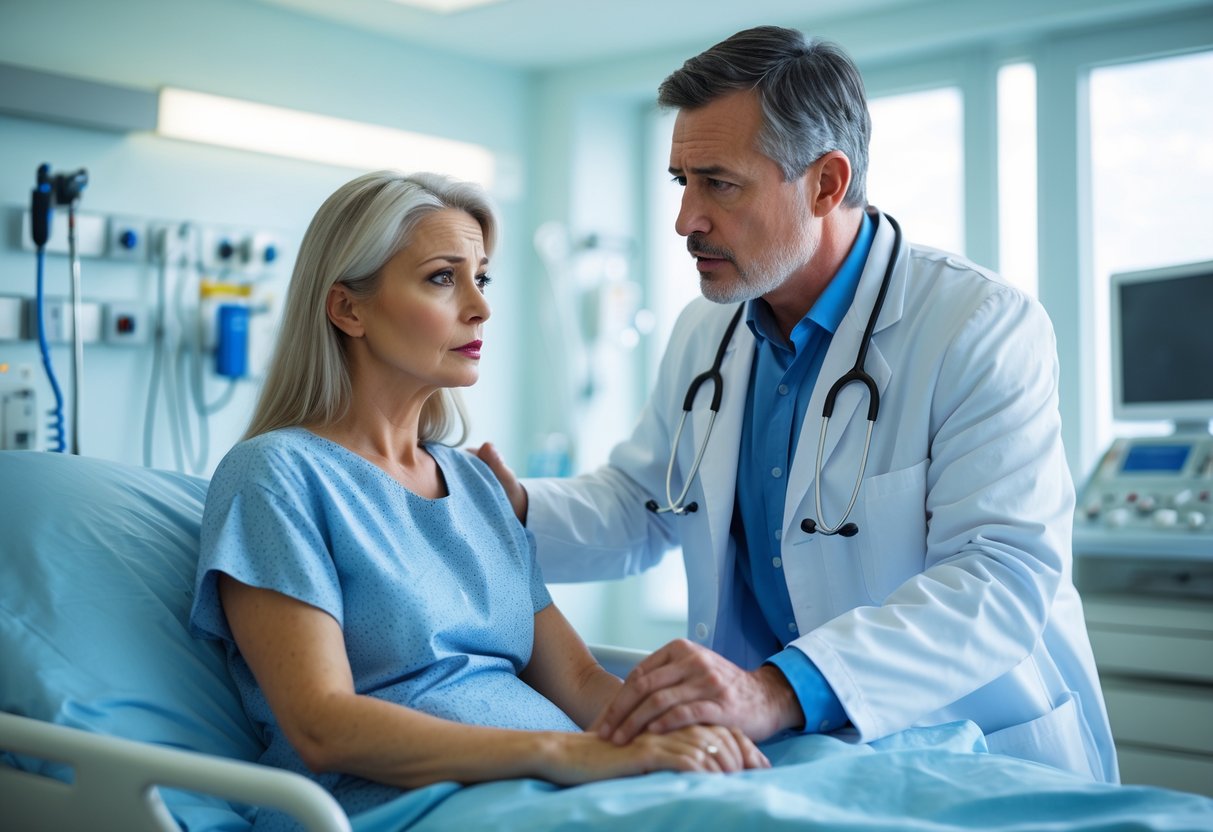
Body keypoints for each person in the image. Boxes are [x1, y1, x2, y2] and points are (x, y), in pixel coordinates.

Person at [475, 25, 1118, 784]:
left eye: (719, 183)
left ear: (826, 182)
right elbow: (644, 503)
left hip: (969, 749)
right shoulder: (705, 330)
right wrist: (510, 511)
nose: (685, 220)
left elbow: (999, 577)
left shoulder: (975, 326)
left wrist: (777, 690)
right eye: (679, 181)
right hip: (783, 766)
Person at [189, 170, 768, 830]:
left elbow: (577, 683)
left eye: (481, 278)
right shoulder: (276, 476)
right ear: (348, 308)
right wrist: (565, 754)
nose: (480, 307)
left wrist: (685, 741)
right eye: (442, 277)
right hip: (405, 805)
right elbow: (323, 726)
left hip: (549, 790)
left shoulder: (474, 486)